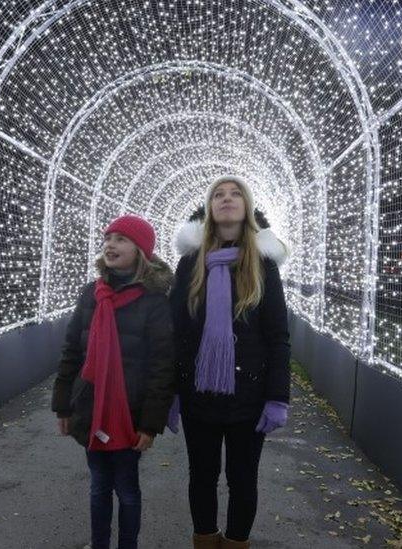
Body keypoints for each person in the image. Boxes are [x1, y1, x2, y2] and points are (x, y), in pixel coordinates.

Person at [168, 175, 291, 548]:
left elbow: (278, 337)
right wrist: (169, 391)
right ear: (209, 209)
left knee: (242, 479)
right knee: (201, 476)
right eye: (218, 195)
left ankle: (237, 542)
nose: (226, 199)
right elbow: (174, 332)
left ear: (247, 207)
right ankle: (205, 541)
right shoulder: (191, 263)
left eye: (235, 193)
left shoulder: (262, 266)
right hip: (198, 392)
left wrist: (277, 397)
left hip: (248, 396)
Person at [51, 215, 176, 549]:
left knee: (127, 488)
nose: (110, 244)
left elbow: (164, 367)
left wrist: (150, 424)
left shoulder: (155, 302)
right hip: (91, 406)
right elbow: (71, 352)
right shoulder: (90, 294)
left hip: (130, 413)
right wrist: (63, 404)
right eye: (108, 237)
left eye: (121, 239)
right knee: (98, 485)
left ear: (141, 250)